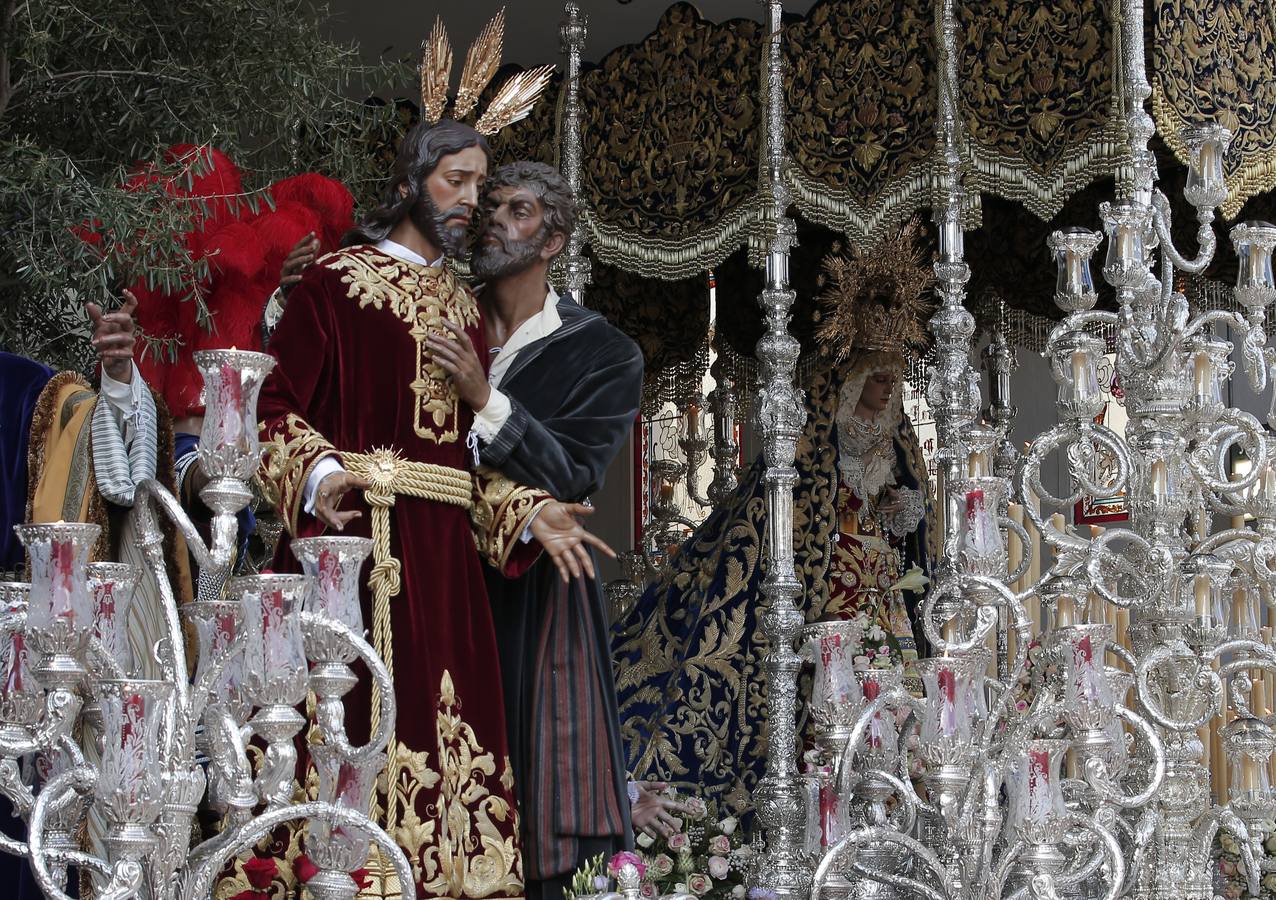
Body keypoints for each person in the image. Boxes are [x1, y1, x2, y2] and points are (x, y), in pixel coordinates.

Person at [255, 119, 602, 900]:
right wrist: (322, 475)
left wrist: (526, 509)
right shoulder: (337, 283)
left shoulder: (466, 308)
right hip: (355, 548)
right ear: (411, 181)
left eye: (481, 184)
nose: (471, 200)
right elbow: (270, 407)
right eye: (457, 181)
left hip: (445, 571)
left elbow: (458, 464)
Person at [611, 220, 937, 826]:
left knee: (895, 708)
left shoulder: (900, 442)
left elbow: (917, 517)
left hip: (885, 595)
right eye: (875, 368)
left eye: (894, 368)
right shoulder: (818, 437)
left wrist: (908, 513)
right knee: (824, 714)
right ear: (850, 374)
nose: (887, 379)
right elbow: (793, 510)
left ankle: (899, 816)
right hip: (826, 594)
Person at [426, 161, 643, 900]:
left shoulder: (604, 353)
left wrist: (485, 400)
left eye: (517, 210)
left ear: (553, 239)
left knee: (537, 782)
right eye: (489, 206)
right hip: (430, 572)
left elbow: (574, 473)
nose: (493, 220)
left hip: (535, 590)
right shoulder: (436, 315)